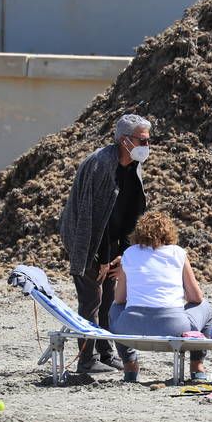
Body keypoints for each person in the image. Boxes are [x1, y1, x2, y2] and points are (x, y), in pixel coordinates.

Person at [59, 114, 150, 375]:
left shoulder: (134, 166)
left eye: (148, 140)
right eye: (142, 140)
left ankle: (106, 353)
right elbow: (89, 216)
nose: (147, 145)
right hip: (86, 243)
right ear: (125, 140)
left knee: (111, 301)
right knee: (91, 301)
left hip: (113, 245)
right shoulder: (100, 165)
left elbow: (131, 215)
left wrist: (122, 255)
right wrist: (96, 258)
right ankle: (86, 359)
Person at [109, 211, 212, 383]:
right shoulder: (177, 253)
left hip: (131, 327)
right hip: (173, 328)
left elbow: (120, 299)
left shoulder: (129, 253)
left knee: (115, 309)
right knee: (206, 308)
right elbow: (196, 297)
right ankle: (197, 367)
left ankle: (130, 366)